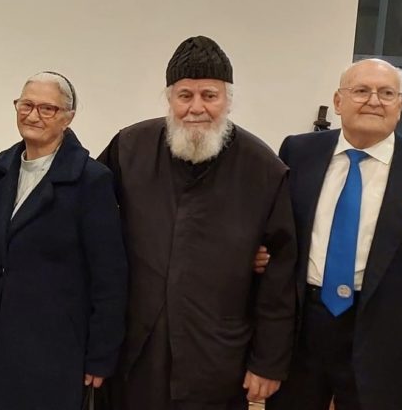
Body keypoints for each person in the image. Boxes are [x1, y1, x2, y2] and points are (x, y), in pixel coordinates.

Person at [98, 35, 297, 409]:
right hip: (134, 351)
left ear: (228, 100)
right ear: (169, 99)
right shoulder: (128, 148)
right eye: (185, 95)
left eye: (209, 95)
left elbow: (281, 276)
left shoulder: (263, 169)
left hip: (217, 356)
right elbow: (92, 225)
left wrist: (268, 361)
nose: (196, 108)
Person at [269, 59, 402, 410]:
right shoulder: (298, 152)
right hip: (303, 335)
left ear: (401, 104)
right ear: (338, 102)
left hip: (387, 345)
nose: (374, 101)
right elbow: (277, 236)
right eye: (361, 90)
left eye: (387, 93)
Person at [0, 71, 127, 409]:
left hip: (53, 349)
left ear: (68, 118)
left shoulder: (91, 181)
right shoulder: (3, 167)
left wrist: (101, 355)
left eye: (47, 109)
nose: (33, 116)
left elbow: (110, 278)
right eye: (26, 105)